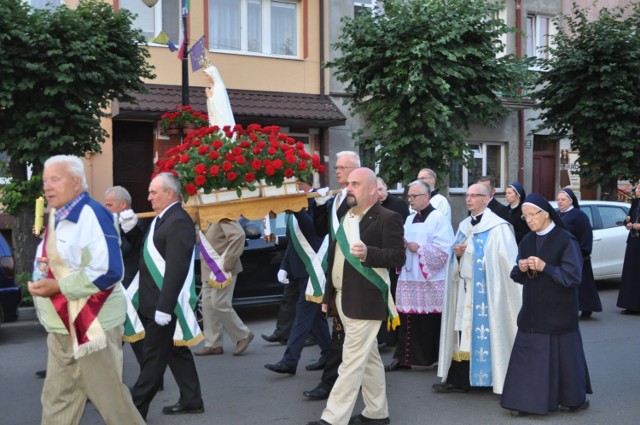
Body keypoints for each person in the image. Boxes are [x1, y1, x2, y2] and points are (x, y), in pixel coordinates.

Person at [29, 155, 145, 425]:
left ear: (77, 182)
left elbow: (110, 271)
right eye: (46, 180)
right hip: (61, 328)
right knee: (57, 402)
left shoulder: (93, 214)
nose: (47, 187)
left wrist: (57, 286)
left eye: (55, 179)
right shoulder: (59, 213)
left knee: (113, 405)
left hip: (92, 327)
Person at [307, 167, 405, 425]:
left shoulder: (388, 217)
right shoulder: (345, 215)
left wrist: (368, 253)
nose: (349, 188)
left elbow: (398, 256)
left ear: (372, 189)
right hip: (342, 297)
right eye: (348, 183)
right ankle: (377, 412)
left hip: (366, 300)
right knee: (369, 360)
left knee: (350, 362)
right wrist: (327, 296)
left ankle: (332, 418)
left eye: (355, 184)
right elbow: (333, 260)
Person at [501, 193, 592, 416]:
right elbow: (516, 275)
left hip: (559, 312)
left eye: (532, 215)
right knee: (528, 357)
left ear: (546, 214)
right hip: (532, 310)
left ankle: (572, 399)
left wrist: (546, 267)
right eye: (525, 217)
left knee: (566, 361)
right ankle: (525, 402)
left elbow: (573, 277)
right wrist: (521, 268)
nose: (529, 220)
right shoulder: (527, 240)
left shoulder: (566, 240)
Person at [130, 172, 204, 419]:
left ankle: (134, 410)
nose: (148, 197)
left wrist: (164, 307)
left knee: (152, 359)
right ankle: (192, 399)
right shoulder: (163, 218)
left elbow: (176, 267)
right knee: (176, 350)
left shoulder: (179, 221)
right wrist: (131, 230)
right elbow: (149, 249)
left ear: (169, 193)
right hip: (154, 301)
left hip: (163, 305)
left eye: (153, 192)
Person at [435, 183, 520, 394]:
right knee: (463, 333)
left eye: (475, 195)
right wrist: (458, 255)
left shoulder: (499, 227)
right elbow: (454, 264)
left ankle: (493, 377)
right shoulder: (464, 225)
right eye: (467, 195)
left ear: (486, 199)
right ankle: (461, 378)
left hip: (488, 293)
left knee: (487, 332)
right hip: (466, 290)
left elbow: (506, 263)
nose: (469, 199)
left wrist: (470, 253)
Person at [303, 151, 360, 401]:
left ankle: (331, 384)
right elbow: (320, 231)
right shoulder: (336, 199)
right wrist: (317, 207)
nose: (337, 171)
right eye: (336, 167)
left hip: (353, 274)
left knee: (346, 336)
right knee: (343, 334)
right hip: (335, 274)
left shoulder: (357, 198)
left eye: (342, 167)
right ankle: (340, 382)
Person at [385, 179, 454, 372]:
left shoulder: (438, 218)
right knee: (407, 318)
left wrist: (421, 249)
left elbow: (445, 249)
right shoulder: (409, 218)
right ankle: (403, 358)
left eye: (413, 196)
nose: (410, 200)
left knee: (429, 322)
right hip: (409, 275)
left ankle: (432, 358)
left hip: (430, 278)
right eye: (408, 196)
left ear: (426, 196)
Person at [264, 202, 331, 375]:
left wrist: (296, 206)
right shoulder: (292, 215)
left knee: (302, 316)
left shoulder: (310, 211)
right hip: (301, 272)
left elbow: (311, 230)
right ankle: (329, 355)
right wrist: (284, 266)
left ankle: (290, 361)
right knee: (316, 319)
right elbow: (293, 243)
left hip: (315, 274)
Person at [194, 218, 254, 356]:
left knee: (219, 303)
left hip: (223, 269)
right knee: (208, 305)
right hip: (208, 269)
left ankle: (243, 335)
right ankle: (213, 344)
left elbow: (239, 236)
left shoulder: (222, 214)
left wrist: (228, 261)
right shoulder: (203, 216)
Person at [103, 186, 149, 367]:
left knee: (136, 333)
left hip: (132, 286)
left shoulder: (136, 223)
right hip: (116, 286)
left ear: (123, 205)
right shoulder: (109, 223)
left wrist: (121, 231)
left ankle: (151, 378)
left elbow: (126, 250)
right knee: (115, 336)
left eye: (109, 205)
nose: (105, 209)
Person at [557, 188, 602, 319]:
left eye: (563, 200)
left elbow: (586, 234)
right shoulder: (557, 214)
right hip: (562, 254)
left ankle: (586, 308)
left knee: (583, 284)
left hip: (578, 254)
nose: (560, 202)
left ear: (571, 201)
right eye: (559, 199)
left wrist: (583, 251)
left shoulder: (579, 215)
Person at [376, 176, 410, 349]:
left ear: (386, 187)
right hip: (379, 258)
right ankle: (384, 337)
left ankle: (394, 337)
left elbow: (404, 228)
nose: (379, 193)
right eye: (375, 191)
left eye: (381, 189)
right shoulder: (372, 207)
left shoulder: (398, 205)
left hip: (394, 259)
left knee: (394, 297)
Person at [617, 182, 640, 314]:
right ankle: (630, 305)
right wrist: (628, 223)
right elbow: (628, 219)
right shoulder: (636, 203)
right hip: (633, 241)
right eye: (637, 187)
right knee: (630, 273)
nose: (638, 190)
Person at [204, 64, 236, 129]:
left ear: (212, 75)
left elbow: (219, 107)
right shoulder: (214, 87)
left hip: (221, 120)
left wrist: (210, 97)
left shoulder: (218, 87)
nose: (206, 78)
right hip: (215, 119)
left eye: (207, 76)